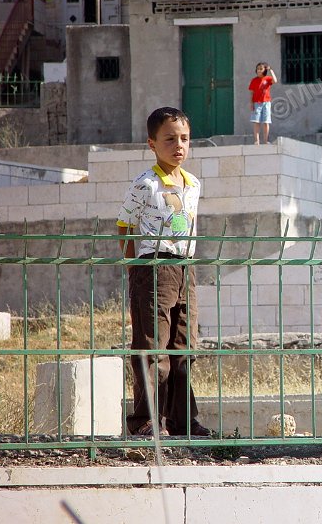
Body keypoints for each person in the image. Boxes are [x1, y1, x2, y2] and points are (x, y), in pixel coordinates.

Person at [117, 107, 210, 437]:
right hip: (153, 266)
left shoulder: (193, 183)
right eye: (169, 139)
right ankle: (147, 421)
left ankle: (183, 420)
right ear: (152, 144)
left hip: (185, 269)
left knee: (184, 346)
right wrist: (135, 269)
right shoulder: (145, 184)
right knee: (152, 345)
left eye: (184, 138)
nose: (179, 145)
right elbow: (124, 225)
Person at [248, 62, 277, 144]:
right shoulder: (254, 80)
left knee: (266, 122)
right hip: (257, 103)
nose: (259, 70)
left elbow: (275, 80)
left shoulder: (267, 79)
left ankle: (265, 140)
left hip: (266, 103)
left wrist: (271, 70)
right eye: (258, 69)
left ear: (265, 70)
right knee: (256, 122)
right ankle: (257, 140)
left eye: (261, 69)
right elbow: (251, 92)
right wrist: (251, 103)